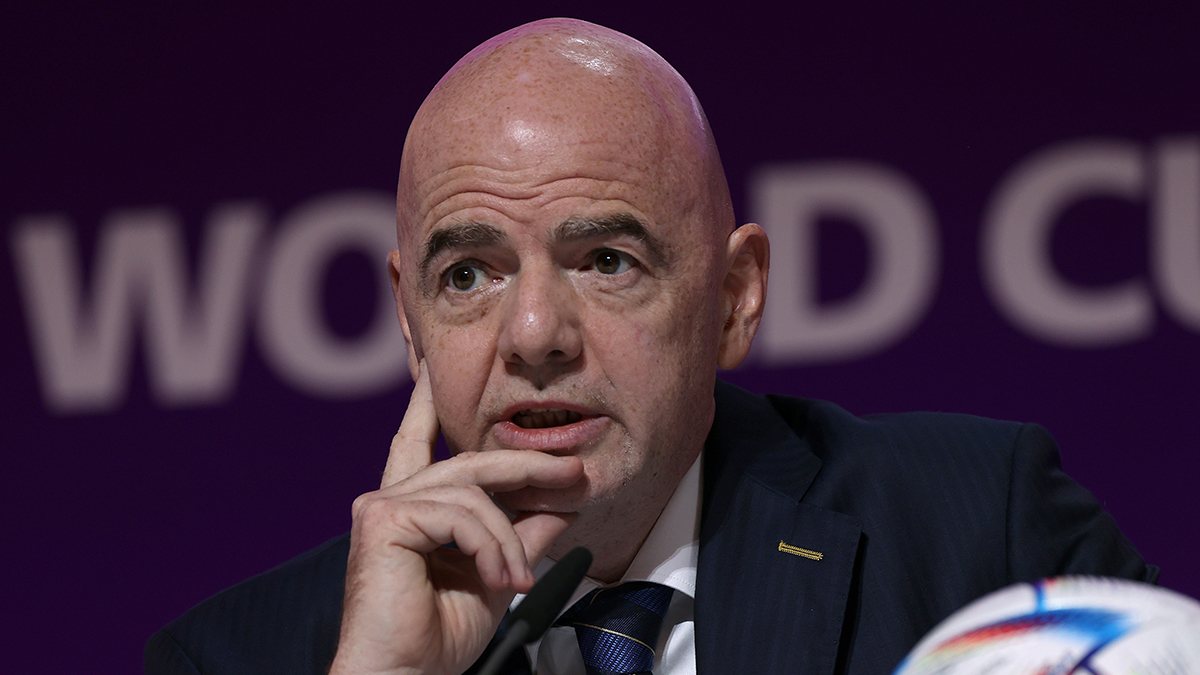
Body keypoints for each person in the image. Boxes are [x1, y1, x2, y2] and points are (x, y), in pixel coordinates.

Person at [145, 18, 1154, 674]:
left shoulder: (978, 537)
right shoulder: (236, 657)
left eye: (606, 260)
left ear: (733, 298)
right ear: (410, 320)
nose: (533, 336)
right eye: (469, 276)